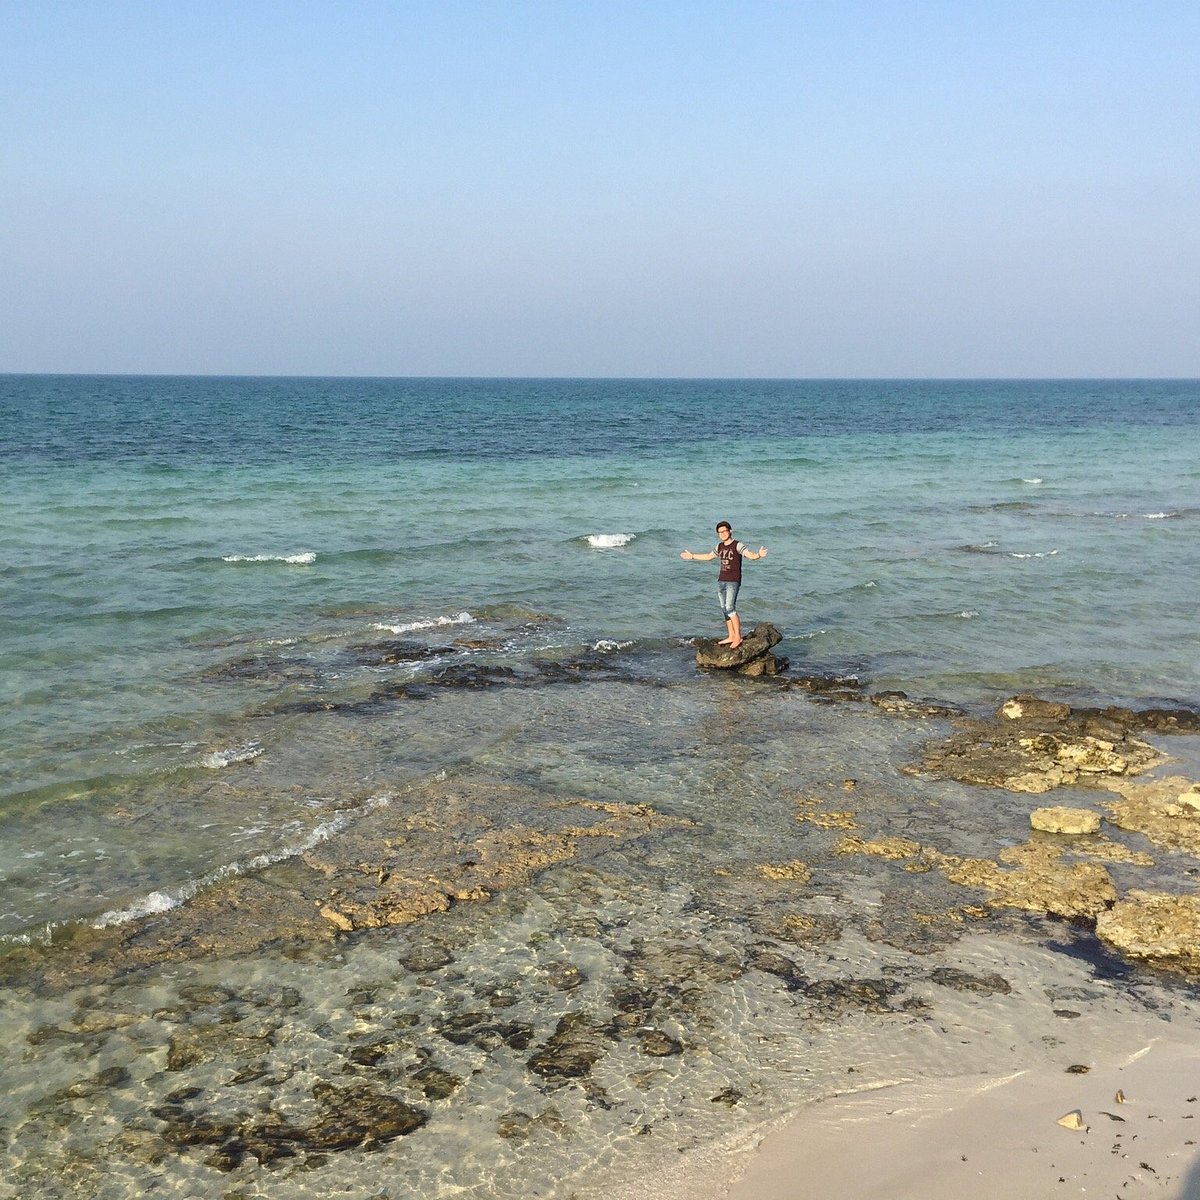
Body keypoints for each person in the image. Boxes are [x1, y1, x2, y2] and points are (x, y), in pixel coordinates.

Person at [680, 522, 768, 648]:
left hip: (733, 581)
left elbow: (750, 555)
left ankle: (738, 637)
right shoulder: (719, 546)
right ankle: (731, 635)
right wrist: (692, 556)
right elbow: (709, 556)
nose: (722, 534)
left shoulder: (737, 545)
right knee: (724, 609)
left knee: (730, 608)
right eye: (720, 532)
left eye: (724, 531)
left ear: (730, 531)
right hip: (721, 580)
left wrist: (758, 555)